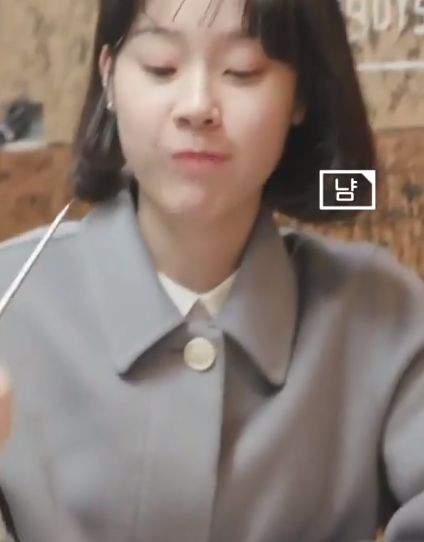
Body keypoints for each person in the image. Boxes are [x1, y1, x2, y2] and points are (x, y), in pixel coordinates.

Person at [0, 0, 423, 540]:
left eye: (242, 71)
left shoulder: (379, 313)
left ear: (301, 95)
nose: (197, 106)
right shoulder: (13, 301)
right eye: (161, 67)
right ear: (109, 79)